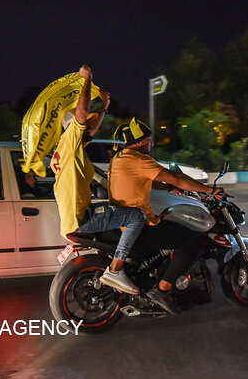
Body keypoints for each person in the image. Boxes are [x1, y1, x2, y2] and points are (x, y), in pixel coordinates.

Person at [108, 118, 223, 314]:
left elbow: (150, 181)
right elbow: (176, 177)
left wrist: (170, 188)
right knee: (192, 241)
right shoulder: (139, 160)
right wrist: (208, 190)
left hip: (121, 221)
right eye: (148, 140)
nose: (151, 143)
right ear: (139, 142)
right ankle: (164, 289)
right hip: (139, 226)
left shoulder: (119, 159)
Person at [50, 65, 146, 295]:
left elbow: (90, 128)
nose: (88, 127)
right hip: (80, 219)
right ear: (72, 127)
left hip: (74, 216)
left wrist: (103, 106)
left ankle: (122, 260)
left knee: (118, 208)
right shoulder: (70, 141)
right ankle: (116, 269)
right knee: (136, 216)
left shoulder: (69, 148)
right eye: (81, 124)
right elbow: (82, 116)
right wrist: (87, 80)